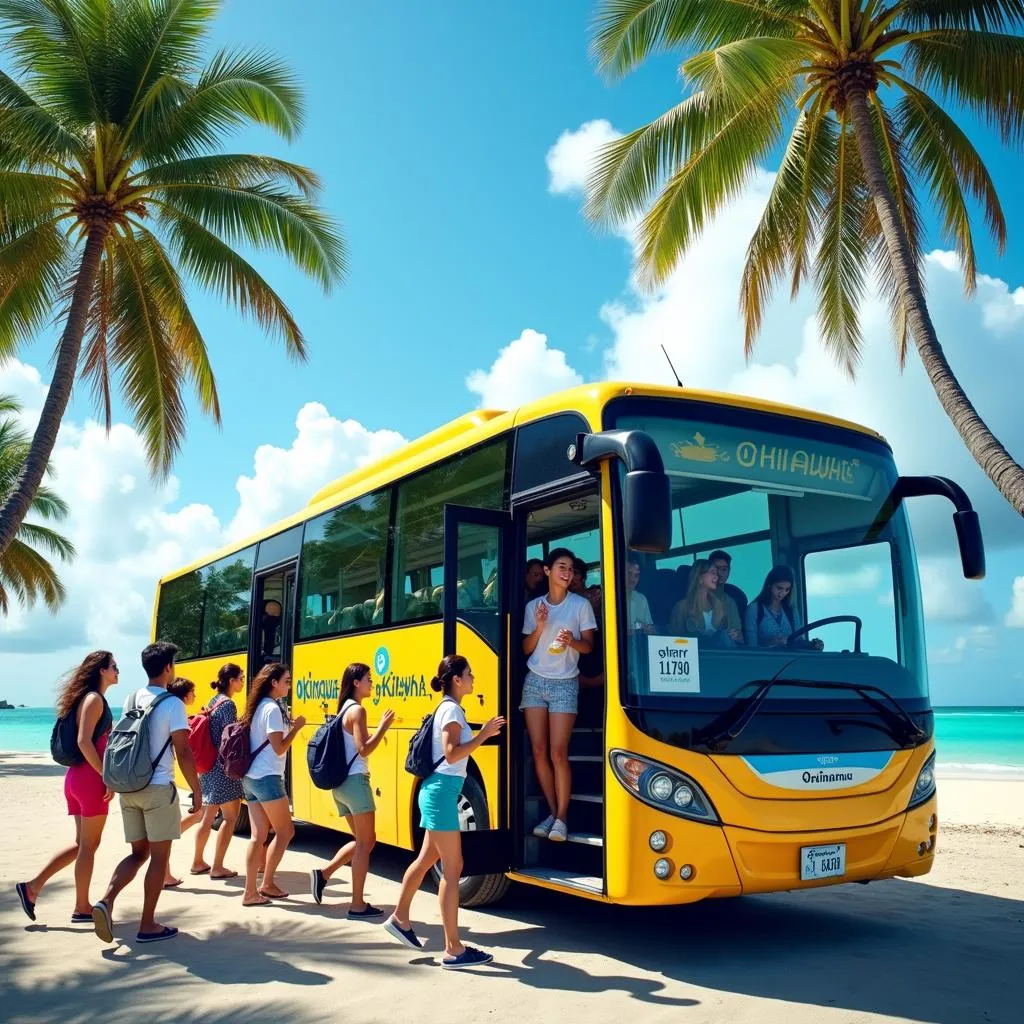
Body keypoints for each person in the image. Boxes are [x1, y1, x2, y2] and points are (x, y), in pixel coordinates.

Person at [384, 655, 504, 969]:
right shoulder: (451, 709)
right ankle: (453, 949)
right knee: (453, 870)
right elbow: (452, 754)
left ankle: (400, 918)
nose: (473, 677)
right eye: (469, 673)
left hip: (437, 793)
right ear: (456, 680)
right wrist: (483, 734)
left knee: (426, 861)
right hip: (440, 794)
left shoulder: (448, 708)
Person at [92, 641, 201, 945]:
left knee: (138, 853)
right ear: (168, 668)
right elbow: (183, 749)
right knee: (158, 857)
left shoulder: (131, 698)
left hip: (129, 786)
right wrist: (196, 789)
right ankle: (148, 924)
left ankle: (106, 900)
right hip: (157, 788)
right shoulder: (173, 704)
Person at [16, 652, 118, 924]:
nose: (117, 670)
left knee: (82, 844)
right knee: (89, 846)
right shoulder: (94, 699)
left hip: (76, 778)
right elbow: (85, 742)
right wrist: (106, 776)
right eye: (113, 667)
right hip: (89, 779)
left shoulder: (85, 699)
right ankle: (82, 907)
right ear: (101, 671)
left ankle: (32, 887)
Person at [521, 547, 596, 842]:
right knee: (539, 751)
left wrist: (571, 642)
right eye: (561, 567)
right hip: (535, 681)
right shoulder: (534, 608)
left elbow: (589, 647)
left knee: (557, 753)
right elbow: (526, 648)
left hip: (566, 682)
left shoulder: (580, 605)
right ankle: (553, 813)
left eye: (571, 569)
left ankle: (562, 817)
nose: (567, 573)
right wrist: (540, 627)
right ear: (549, 571)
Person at [310, 663, 395, 917]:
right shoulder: (357, 710)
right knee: (365, 843)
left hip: (340, 786)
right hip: (356, 782)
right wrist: (383, 726)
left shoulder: (343, 709)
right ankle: (357, 904)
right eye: (368, 679)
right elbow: (364, 749)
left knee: (363, 841)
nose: (372, 683)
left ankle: (323, 875)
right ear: (356, 683)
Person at [241, 662, 304, 906]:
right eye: (286, 680)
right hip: (267, 777)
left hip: (251, 777)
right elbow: (279, 748)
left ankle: (250, 891)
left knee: (258, 836)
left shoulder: (259, 707)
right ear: (273, 682)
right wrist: (296, 728)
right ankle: (266, 883)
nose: (290, 684)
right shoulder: (272, 710)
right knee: (286, 831)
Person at [190, 663, 246, 881]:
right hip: (223, 768)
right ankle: (218, 866)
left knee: (207, 817)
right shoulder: (228, 705)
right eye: (240, 678)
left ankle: (197, 861)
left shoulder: (214, 701)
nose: (242, 681)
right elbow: (230, 736)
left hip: (209, 765)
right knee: (230, 818)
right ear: (231, 681)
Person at [162, 678, 204, 887]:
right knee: (166, 832)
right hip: (162, 780)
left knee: (166, 832)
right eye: (193, 692)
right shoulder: (176, 708)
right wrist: (196, 788)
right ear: (185, 696)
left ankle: (165, 873)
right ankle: (165, 875)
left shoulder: (164, 707)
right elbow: (183, 751)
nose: (195, 696)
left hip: (148, 780)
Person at [745, 566, 824, 650]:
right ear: (769, 585)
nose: (782, 593)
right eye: (779, 588)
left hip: (790, 660)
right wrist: (771, 642)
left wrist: (812, 645)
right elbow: (751, 647)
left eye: (787, 590)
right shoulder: (754, 609)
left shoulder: (791, 609)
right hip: (764, 660)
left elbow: (798, 640)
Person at [668, 560, 737, 646]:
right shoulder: (682, 607)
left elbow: (731, 636)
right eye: (713, 573)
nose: (716, 577)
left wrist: (732, 635)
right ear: (700, 578)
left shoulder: (721, 606)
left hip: (721, 657)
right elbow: (674, 640)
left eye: (716, 574)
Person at [709, 550, 745, 643]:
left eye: (724, 569)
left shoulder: (731, 601)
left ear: (729, 571)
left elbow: (741, 639)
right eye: (716, 569)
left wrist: (736, 636)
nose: (720, 573)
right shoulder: (698, 597)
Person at [626, 559, 654, 634]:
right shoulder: (610, 598)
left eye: (636, 575)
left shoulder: (642, 599)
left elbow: (650, 629)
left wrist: (649, 630)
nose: (632, 579)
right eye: (629, 573)